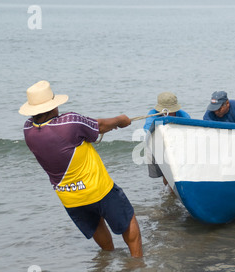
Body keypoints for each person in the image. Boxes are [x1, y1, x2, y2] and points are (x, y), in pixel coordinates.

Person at [19, 80, 143, 257]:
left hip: (69, 197)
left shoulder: (27, 130)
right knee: (129, 223)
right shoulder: (69, 122)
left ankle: (107, 264)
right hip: (99, 190)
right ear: (52, 106)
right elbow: (99, 126)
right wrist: (120, 120)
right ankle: (137, 270)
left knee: (97, 227)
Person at [144, 92, 190, 187]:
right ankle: (168, 191)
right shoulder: (152, 115)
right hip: (158, 147)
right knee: (166, 174)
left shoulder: (183, 115)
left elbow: (188, 132)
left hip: (177, 145)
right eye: (164, 111)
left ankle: (172, 192)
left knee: (178, 171)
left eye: (171, 111)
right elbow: (147, 130)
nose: (167, 113)